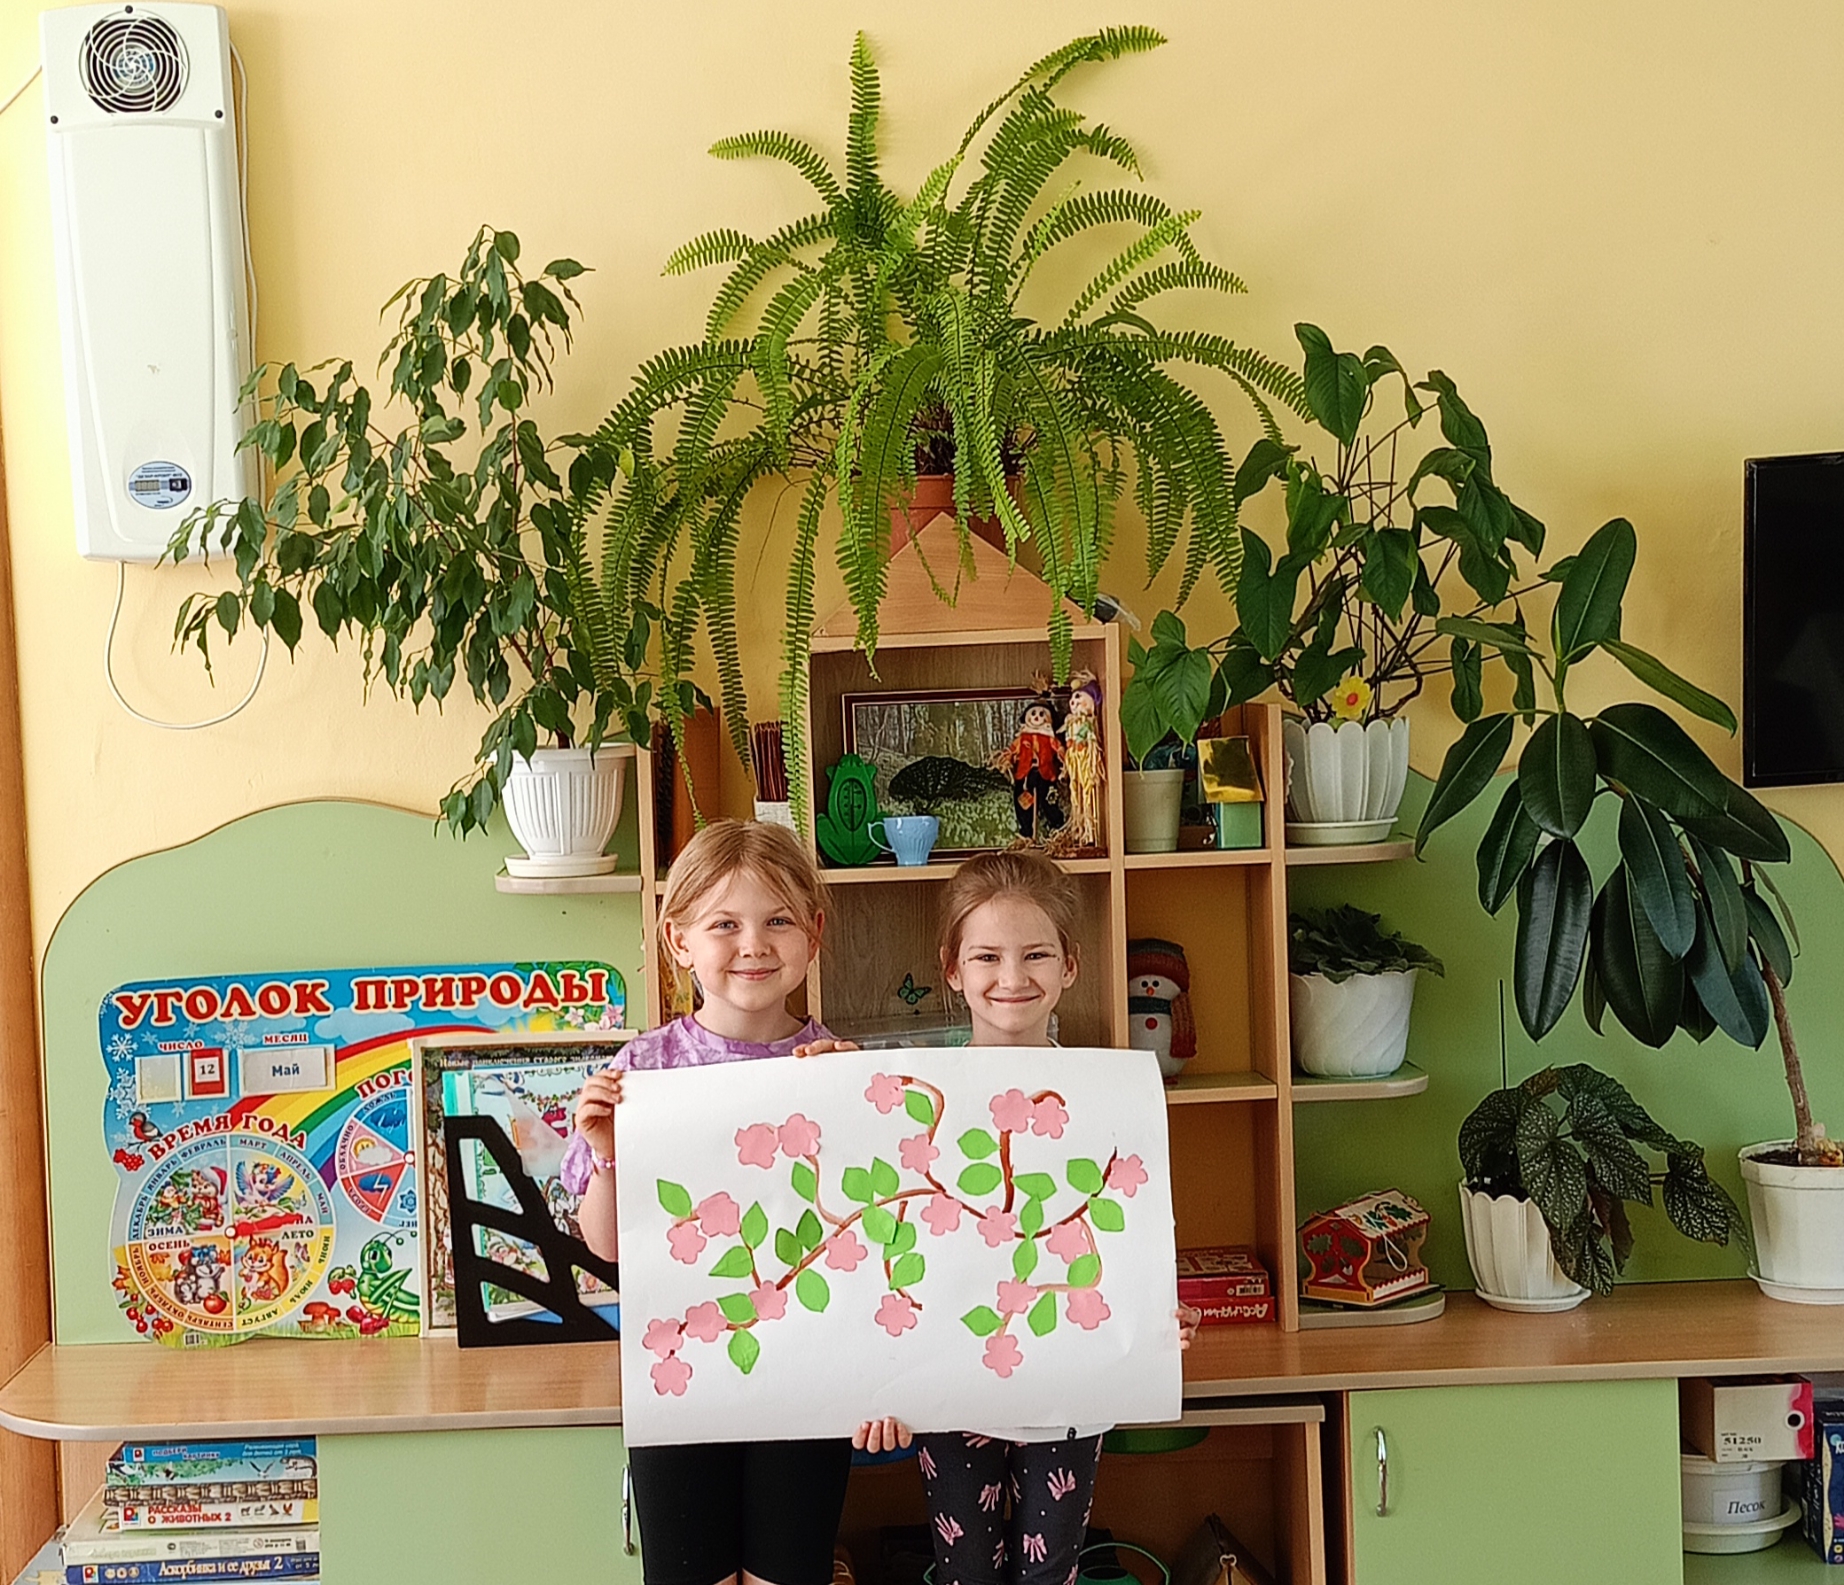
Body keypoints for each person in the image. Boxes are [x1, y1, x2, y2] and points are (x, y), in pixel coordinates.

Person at [855, 850, 1200, 1585]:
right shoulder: (915, 1102)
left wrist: (1155, 1316)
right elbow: (886, 1243)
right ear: (952, 969)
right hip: (949, 1395)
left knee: (1051, 1575)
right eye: (987, 956)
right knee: (966, 1574)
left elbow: (1126, 1229)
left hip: (1068, 1394)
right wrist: (880, 1382)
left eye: (1035, 953)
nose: (1011, 976)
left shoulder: (1111, 1097)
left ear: (1070, 964)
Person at [566, 819, 877, 1585]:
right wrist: (606, 1150)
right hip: (679, 1371)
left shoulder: (838, 1067)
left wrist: (858, 1114)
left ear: (813, 932)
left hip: (806, 1372)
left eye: (778, 920)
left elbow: (870, 1239)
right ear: (679, 940)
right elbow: (608, 1246)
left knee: (787, 1570)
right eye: (725, 924)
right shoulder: (642, 1070)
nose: (754, 944)